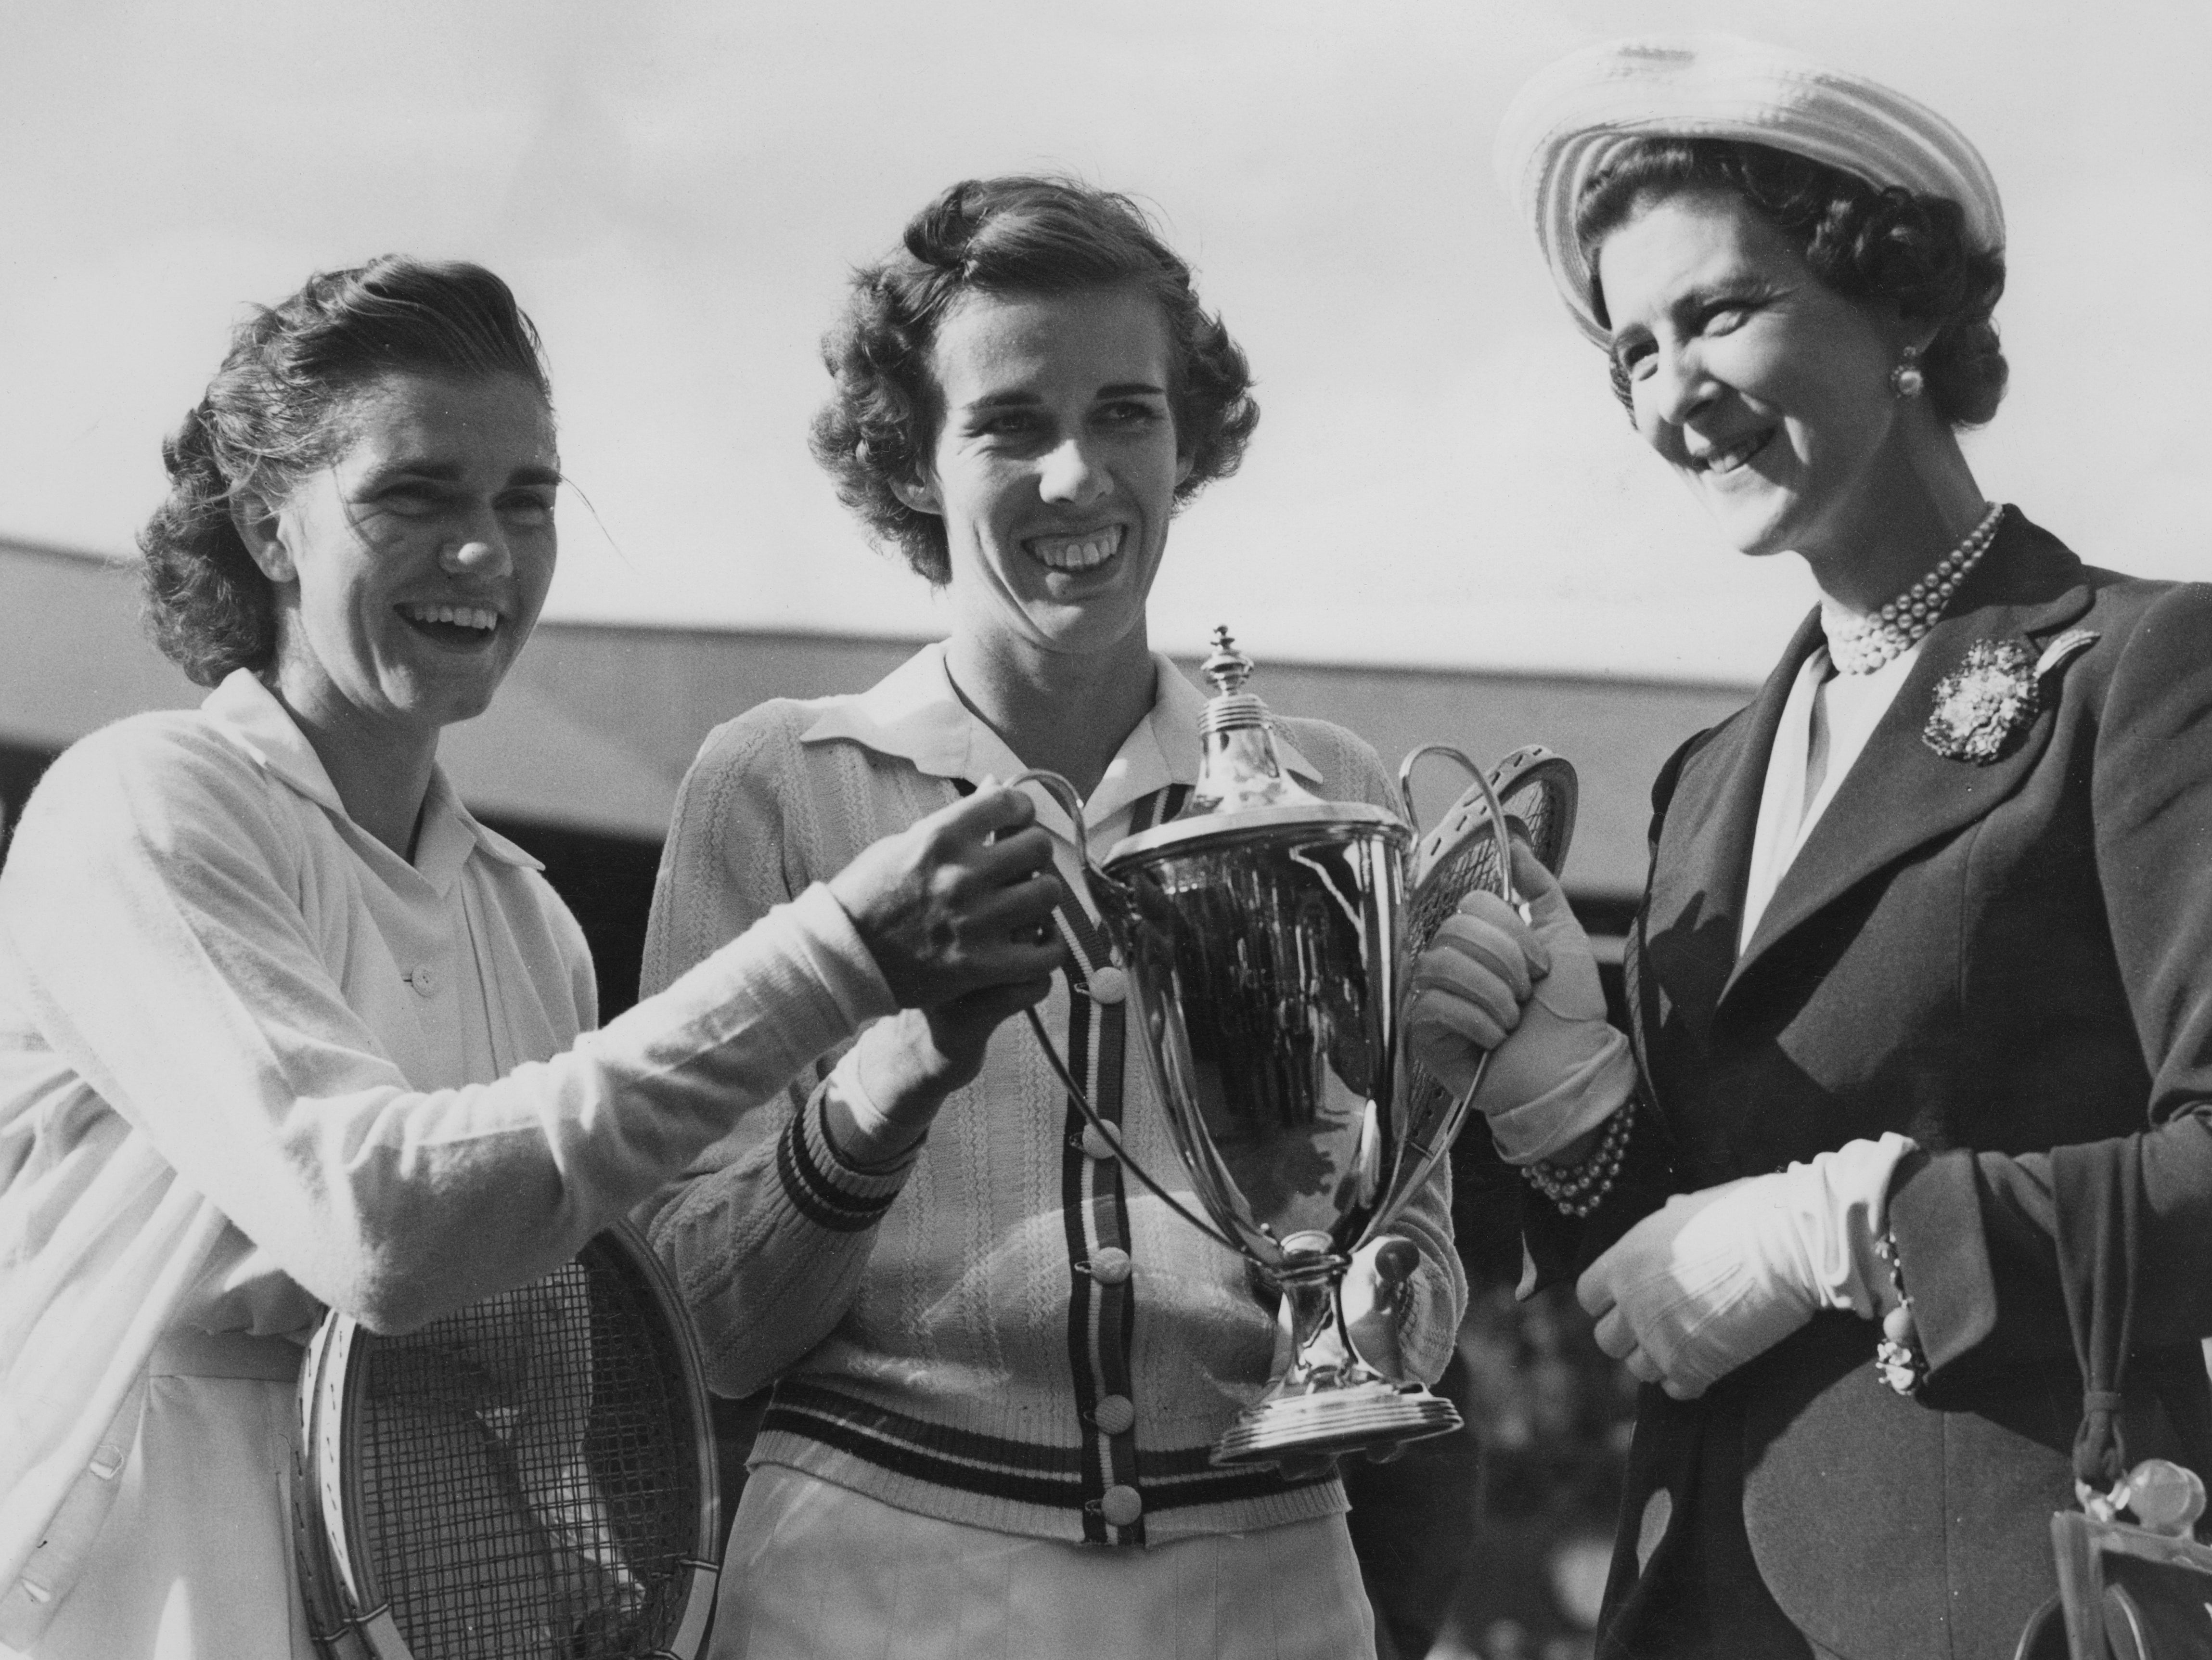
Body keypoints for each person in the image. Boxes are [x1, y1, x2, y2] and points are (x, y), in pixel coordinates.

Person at [0, 255, 1064, 1660]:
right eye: (414, 495)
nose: (485, 554)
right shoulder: (139, 799)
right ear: (268, 528)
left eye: (526, 500)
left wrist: (891, 1069)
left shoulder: (529, 923)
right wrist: (837, 955)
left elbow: (555, 1406)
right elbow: (374, 1221)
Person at [1405, 35, 2212, 1659]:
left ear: (1901, 302)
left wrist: (1850, 1225)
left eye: (1718, 312)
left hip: (2018, 1596)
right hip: (1705, 1601)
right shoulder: (1705, 783)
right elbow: (1669, 1270)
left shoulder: (2141, 670)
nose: (1670, 391)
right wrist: (1562, 1091)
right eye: (1631, 348)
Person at [639, 176, 1467, 1659]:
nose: (1077, 477)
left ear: (1188, 435)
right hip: (875, 1585)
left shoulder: (1328, 794)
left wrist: (1411, 1216)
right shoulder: (776, 784)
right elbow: (703, 1323)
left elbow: (1400, 1262)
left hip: (1265, 1584)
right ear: (909, 459)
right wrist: (887, 1078)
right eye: (1009, 423)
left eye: (1126, 413)